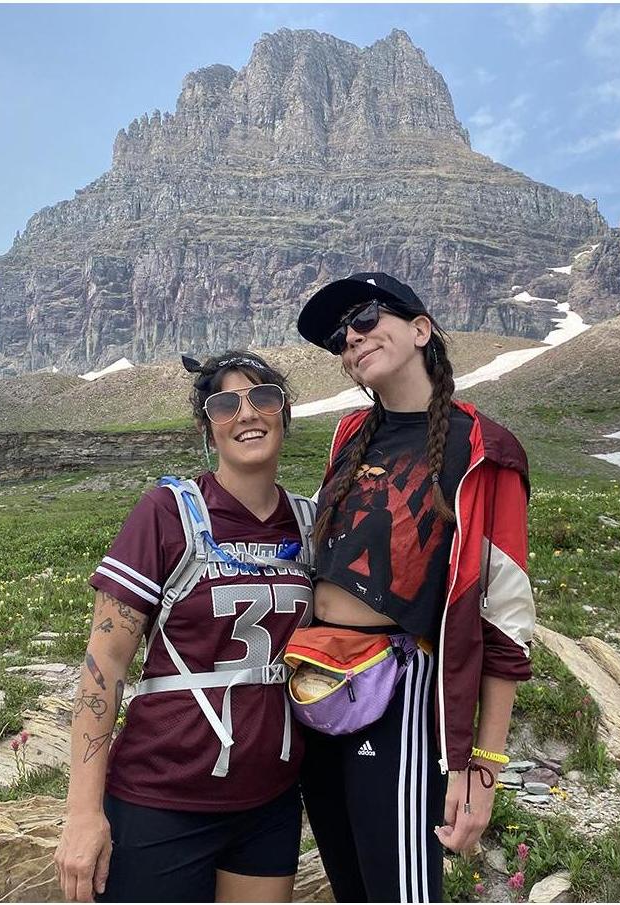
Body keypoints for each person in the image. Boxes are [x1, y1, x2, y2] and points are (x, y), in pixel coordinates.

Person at [294, 273, 536, 903]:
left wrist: (482, 767)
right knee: (349, 880)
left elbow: (506, 620)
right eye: (341, 339)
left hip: (398, 688)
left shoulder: (484, 448)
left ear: (421, 330)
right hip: (317, 680)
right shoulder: (349, 435)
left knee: (398, 888)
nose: (352, 339)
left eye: (367, 318)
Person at [54, 351, 315, 903]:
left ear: (285, 414)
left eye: (264, 397)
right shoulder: (167, 512)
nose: (248, 413)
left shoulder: (312, 524)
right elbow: (105, 665)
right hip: (161, 798)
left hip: (269, 801)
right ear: (208, 429)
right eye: (226, 404)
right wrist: (83, 813)